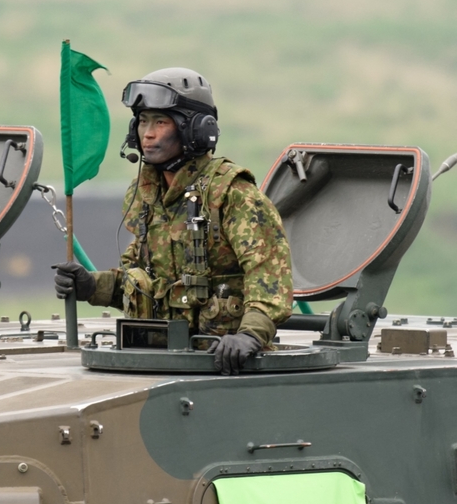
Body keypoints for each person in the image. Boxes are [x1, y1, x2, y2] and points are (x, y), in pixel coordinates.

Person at [54, 68, 292, 375]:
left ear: (193, 129)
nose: (147, 133)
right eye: (142, 121)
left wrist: (249, 335)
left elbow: (270, 277)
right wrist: (91, 285)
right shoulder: (146, 193)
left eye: (160, 122)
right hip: (162, 358)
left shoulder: (232, 194)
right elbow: (141, 280)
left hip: (224, 364)